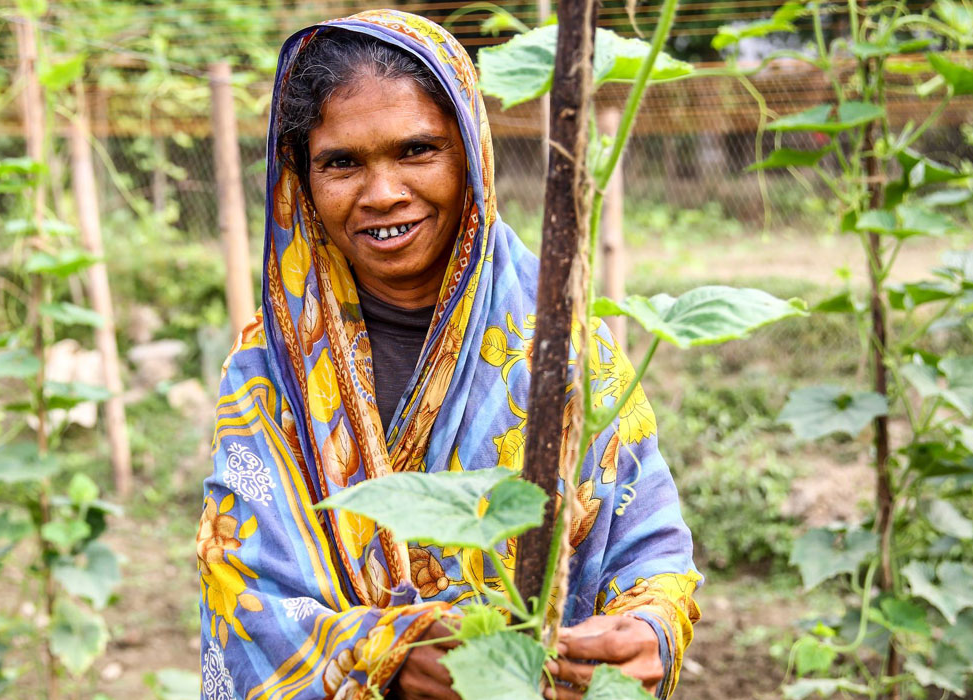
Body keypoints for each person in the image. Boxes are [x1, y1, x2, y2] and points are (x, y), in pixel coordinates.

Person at [196, 10, 701, 700]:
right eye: (341, 163)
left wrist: (647, 629)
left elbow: (648, 542)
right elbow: (242, 588)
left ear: (471, 154)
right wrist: (384, 656)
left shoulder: (556, 340)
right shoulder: (271, 377)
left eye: (416, 151)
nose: (382, 194)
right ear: (301, 182)